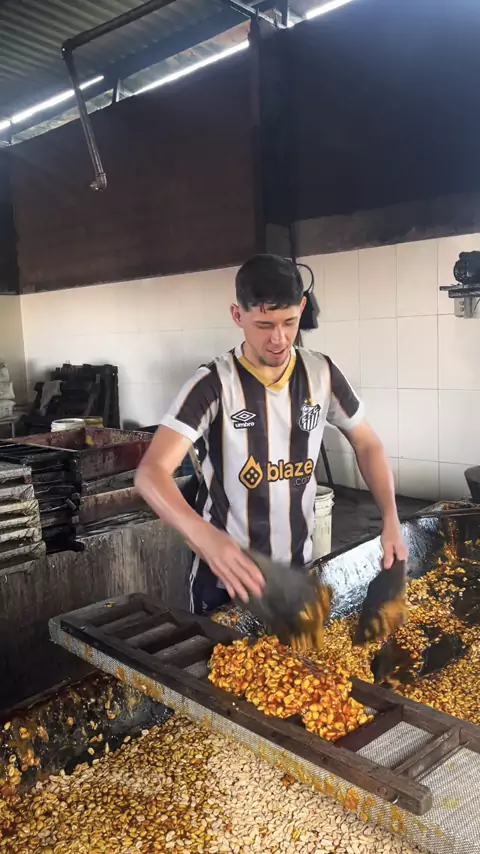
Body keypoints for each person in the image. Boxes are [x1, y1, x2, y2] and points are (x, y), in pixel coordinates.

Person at [135, 254, 407, 615]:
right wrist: (204, 537)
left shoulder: (322, 373)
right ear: (237, 316)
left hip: (297, 575)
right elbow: (150, 473)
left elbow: (367, 443)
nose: (279, 338)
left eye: (289, 322)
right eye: (264, 325)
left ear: (302, 308)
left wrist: (390, 517)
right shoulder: (214, 384)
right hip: (225, 582)